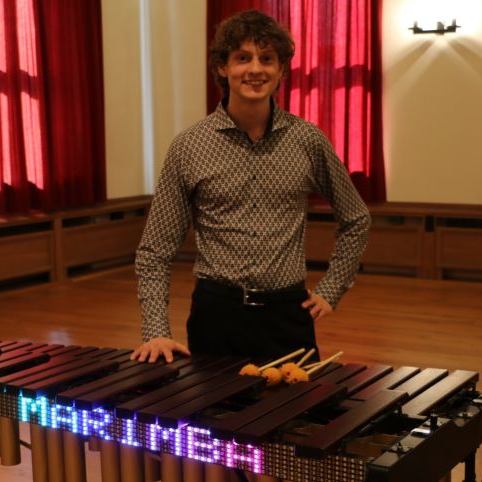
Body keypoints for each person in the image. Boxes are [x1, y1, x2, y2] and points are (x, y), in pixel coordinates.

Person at [130, 10, 370, 364]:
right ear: (223, 68)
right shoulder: (189, 146)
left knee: (299, 417)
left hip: (288, 315)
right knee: (216, 418)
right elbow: (154, 251)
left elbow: (357, 219)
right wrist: (155, 331)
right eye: (243, 58)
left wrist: (331, 290)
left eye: (267, 59)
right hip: (217, 316)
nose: (255, 69)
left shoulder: (307, 140)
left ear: (281, 70)